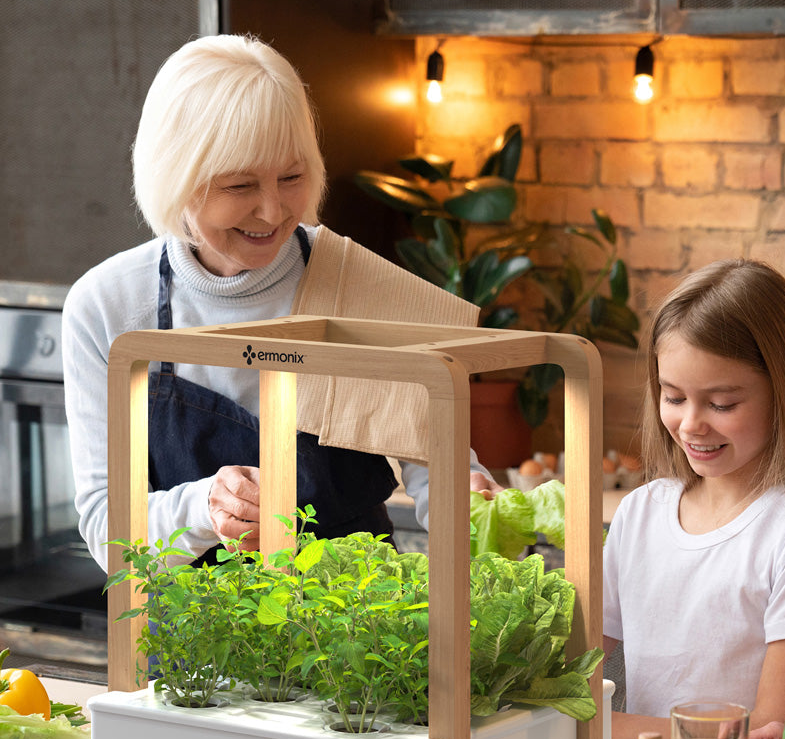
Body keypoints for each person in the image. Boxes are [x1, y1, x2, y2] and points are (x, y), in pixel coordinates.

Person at [63, 34, 493, 571]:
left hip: (362, 637)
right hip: (189, 645)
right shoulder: (109, 307)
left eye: (291, 177)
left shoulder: (365, 290)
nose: (272, 211)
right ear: (174, 179)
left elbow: (441, 475)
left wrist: (472, 500)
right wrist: (205, 506)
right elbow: (108, 533)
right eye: (240, 185)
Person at [602, 259, 785, 739]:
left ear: (784, 392)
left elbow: (774, 736)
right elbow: (575, 681)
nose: (690, 424)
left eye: (722, 404)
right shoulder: (638, 512)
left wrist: (610, 730)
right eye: (673, 397)